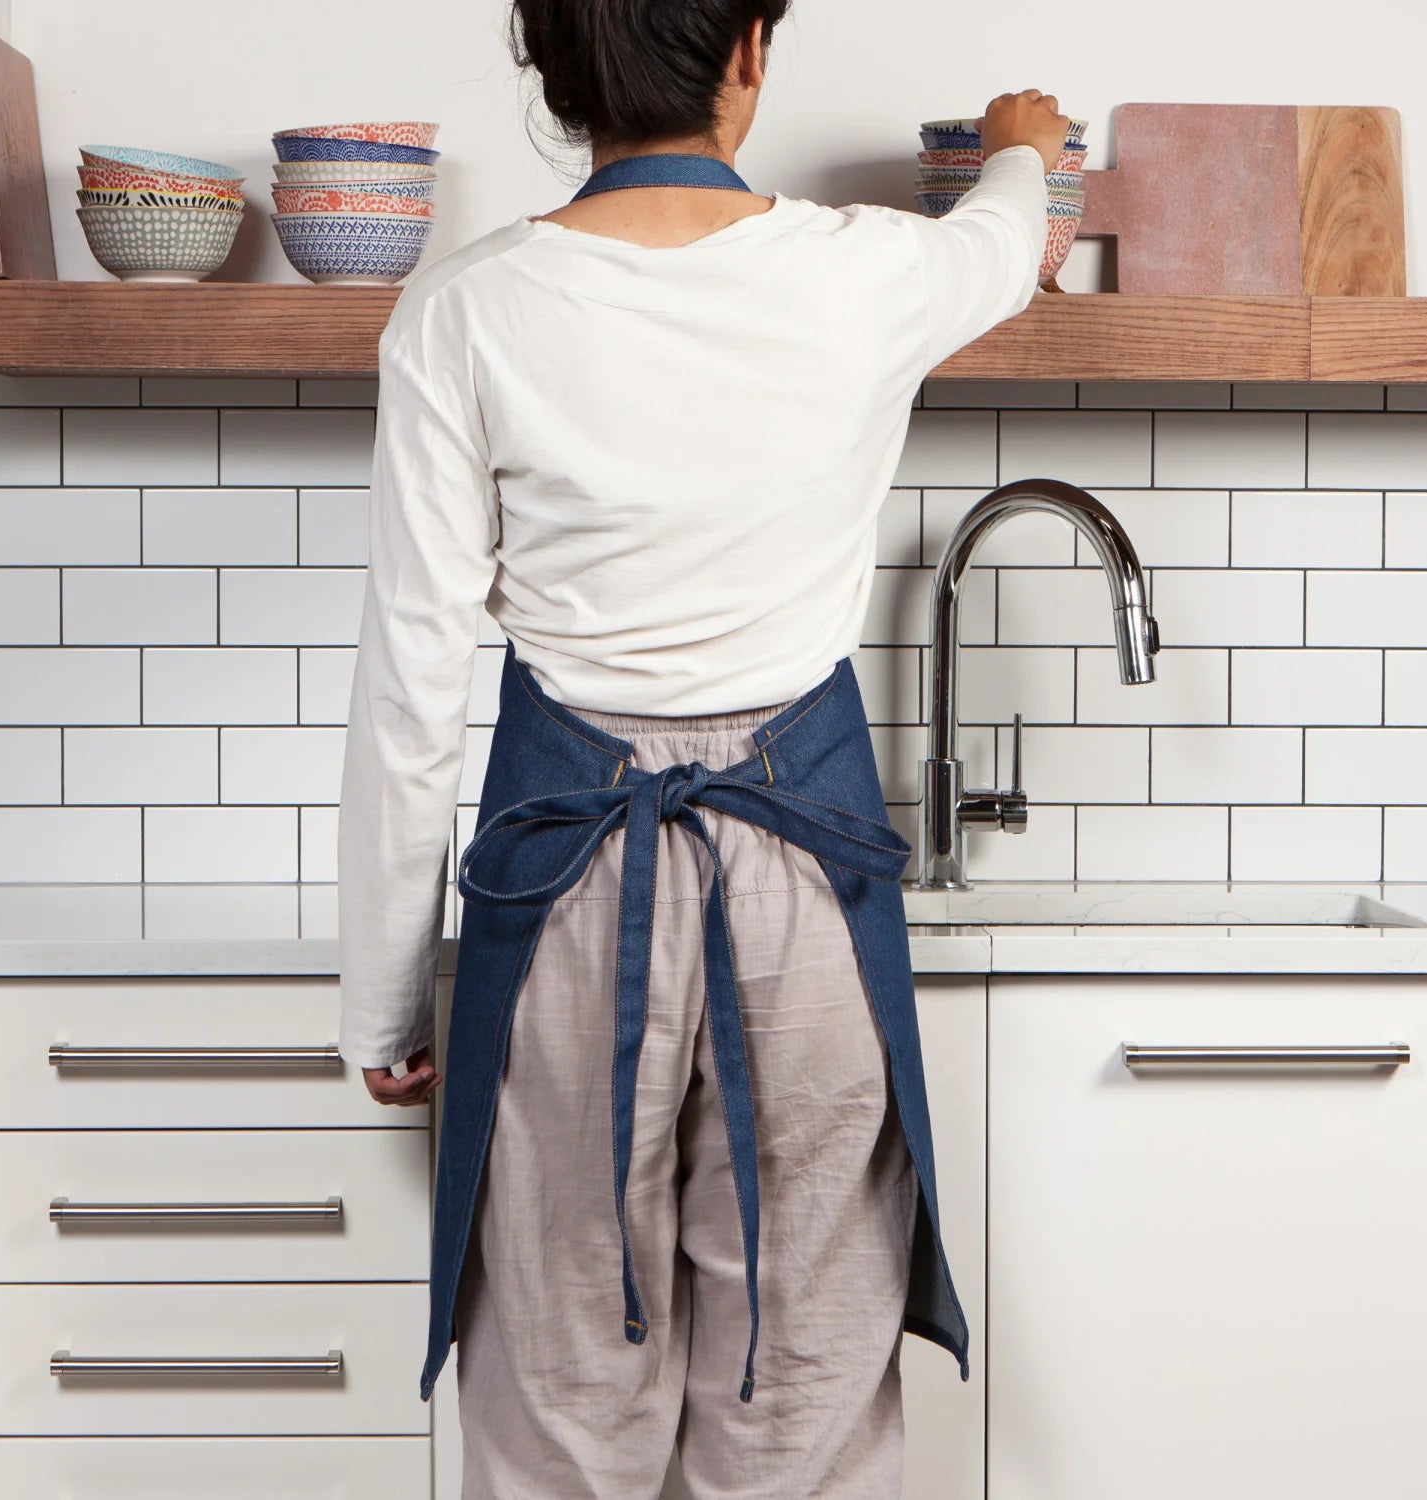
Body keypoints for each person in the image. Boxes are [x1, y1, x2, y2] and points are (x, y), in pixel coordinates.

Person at [336, 1, 1068, 1492]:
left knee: (555, 1403)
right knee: (796, 1395)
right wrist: (1022, 143)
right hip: (802, 895)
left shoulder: (466, 311)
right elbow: (1012, 233)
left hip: (557, 900)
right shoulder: (868, 274)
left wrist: (385, 999)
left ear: (551, 68)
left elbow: (411, 684)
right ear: (749, 48)